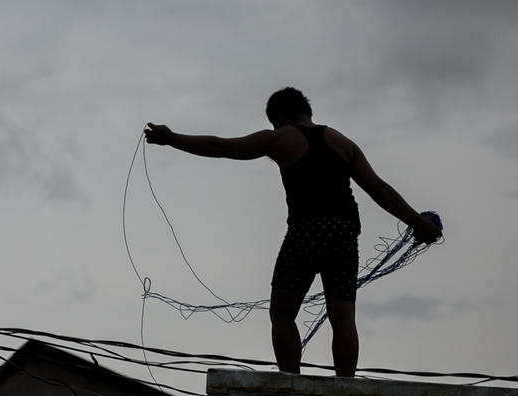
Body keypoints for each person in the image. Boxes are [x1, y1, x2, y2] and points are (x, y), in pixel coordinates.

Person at [145, 87, 441, 377]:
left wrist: (171, 138)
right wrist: (418, 223)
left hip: (307, 230)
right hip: (344, 232)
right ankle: (346, 387)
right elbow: (380, 190)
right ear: (307, 110)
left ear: (280, 115)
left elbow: (220, 147)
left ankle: (291, 383)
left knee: (283, 314)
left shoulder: (280, 137)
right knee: (343, 317)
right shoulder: (343, 142)